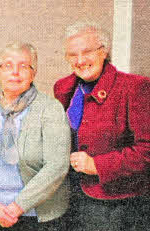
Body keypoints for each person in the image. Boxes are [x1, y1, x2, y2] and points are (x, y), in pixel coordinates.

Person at [53, 22, 150, 231]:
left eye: (87, 52)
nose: (80, 61)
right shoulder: (64, 88)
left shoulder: (134, 87)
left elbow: (146, 151)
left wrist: (96, 165)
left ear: (104, 51)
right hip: (72, 197)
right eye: (72, 55)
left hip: (117, 206)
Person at [0, 42, 70, 230]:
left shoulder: (50, 109)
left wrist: (17, 206)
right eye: (8, 66)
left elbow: (57, 166)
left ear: (34, 73)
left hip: (38, 217)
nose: (15, 72)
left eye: (23, 66)